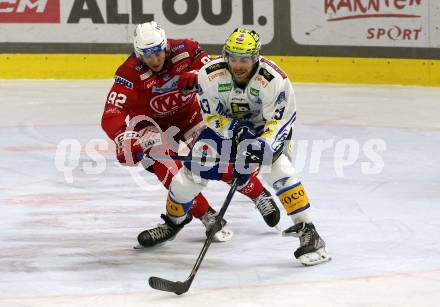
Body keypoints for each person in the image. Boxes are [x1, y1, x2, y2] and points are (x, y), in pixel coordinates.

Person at [101, 22, 280, 248]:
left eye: (158, 52)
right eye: (147, 55)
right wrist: (122, 137)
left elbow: (217, 70)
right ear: (138, 54)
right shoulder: (128, 73)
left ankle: (257, 193)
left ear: (165, 45)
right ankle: (206, 215)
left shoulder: (185, 49)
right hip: (152, 127)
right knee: (168, 169)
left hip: (190, 118)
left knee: (218, 159)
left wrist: (197, 74)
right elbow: (112, 113)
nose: (154, 59)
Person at [162, 27, 331, 265]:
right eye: (233, 58)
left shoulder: (274, 80)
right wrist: (233, 129)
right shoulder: (209, 75)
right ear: (225, 55)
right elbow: (210, 117)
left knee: (280, 171)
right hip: (227, 129)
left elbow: (282, 120)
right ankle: (173, 220)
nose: (239, 65)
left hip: (266, 132)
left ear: (256, 58)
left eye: (245, 59)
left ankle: (309, 232)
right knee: (188, 176)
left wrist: (261, 145)